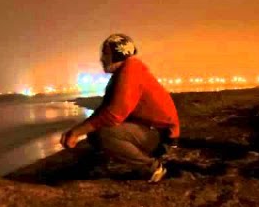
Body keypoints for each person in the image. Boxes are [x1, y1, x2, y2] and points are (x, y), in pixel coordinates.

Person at [59, 33, 179, 182]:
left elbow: (114, 114)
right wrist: (76, 131)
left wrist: (77, 132)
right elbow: (103, 110)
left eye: (105, 53)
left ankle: (153, 168)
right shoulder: (124, 72)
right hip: (150, 131)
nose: (102, 59)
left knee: (105, 133)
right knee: (95, 130)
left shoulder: (131, 70)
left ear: (118, 54)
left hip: (161, 136)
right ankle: (134, 158)